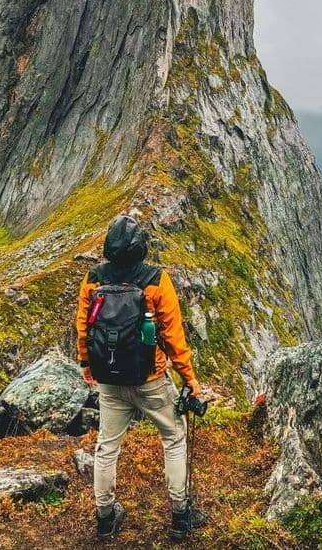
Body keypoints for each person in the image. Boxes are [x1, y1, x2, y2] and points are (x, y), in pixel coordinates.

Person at [75, 214, 202, 541]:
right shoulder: (156, 281)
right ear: (141, 247)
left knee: (106, 447)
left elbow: (84, 328)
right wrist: (190, 380)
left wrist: (87, 365)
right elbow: (174, 337)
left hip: (110, 381)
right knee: (173, 439)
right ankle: (180, 514)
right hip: (151, 379)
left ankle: (105, 517)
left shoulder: (93, 279)